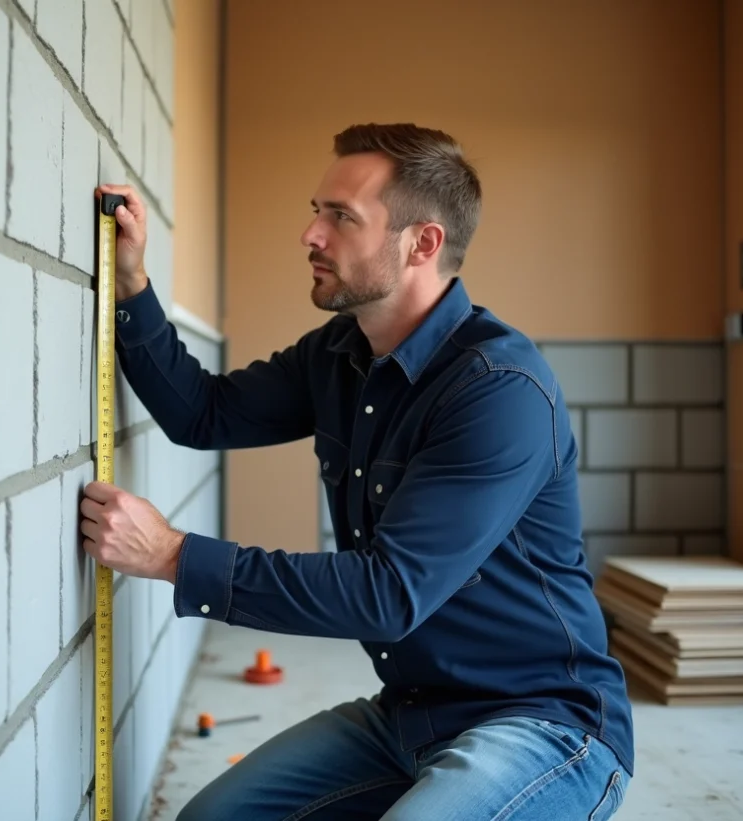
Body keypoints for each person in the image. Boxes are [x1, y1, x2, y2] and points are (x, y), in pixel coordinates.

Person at [80, 123, 634, 820]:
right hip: (408, 717)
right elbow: (204, 414)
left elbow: (387, 594)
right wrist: (132, 285)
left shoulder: (500, 390)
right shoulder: (339, 353)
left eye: (340, 217)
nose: (311, 235)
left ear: (422, 243)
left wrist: (172, 555)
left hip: (544, 729)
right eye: (318, 211)